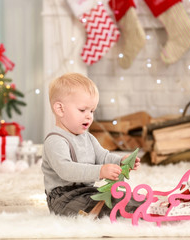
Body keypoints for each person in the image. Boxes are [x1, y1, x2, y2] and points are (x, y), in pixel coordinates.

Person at [42, 72, 141, 217]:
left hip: (86, 192)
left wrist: (120, 162)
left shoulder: (88, 137)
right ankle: (133, 211)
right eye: (82, 110)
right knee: (99, 206)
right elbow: (66, 170)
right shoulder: (55, 140)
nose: (89, 116)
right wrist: (100, 171)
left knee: (119, 195)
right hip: (63, 198)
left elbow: (103, 156)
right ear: (60, 109)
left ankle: (146, 205)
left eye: (92, 111)